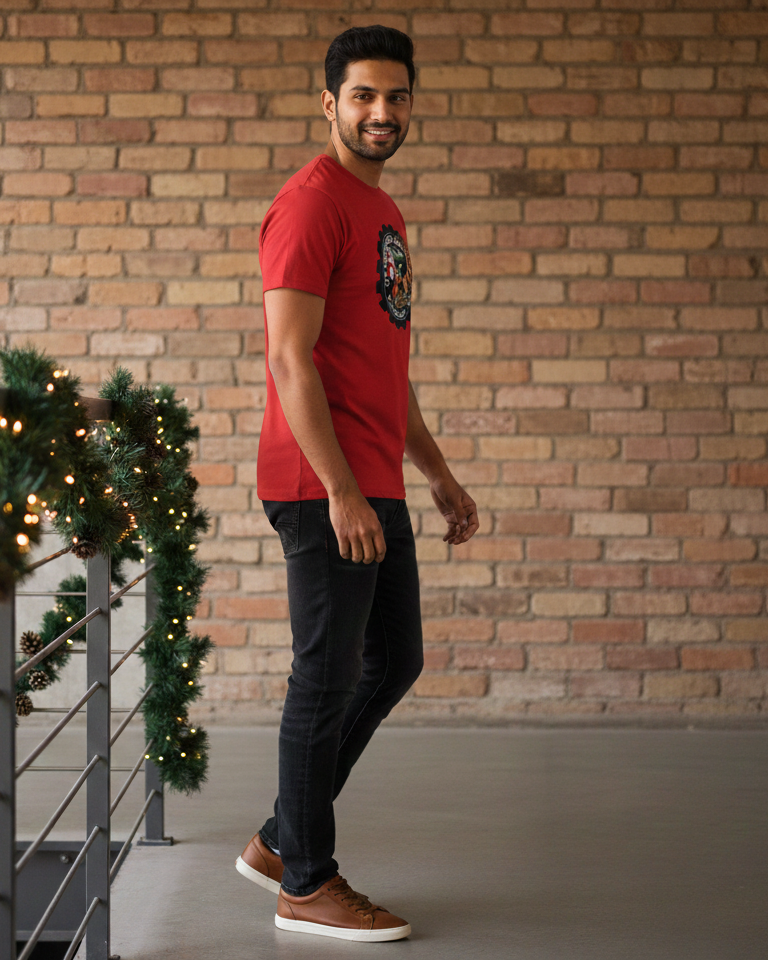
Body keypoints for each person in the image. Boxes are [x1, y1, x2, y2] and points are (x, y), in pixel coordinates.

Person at [235, 25, 479, 942]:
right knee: (326, 677)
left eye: (398, 96)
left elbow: (384, 367)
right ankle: (305, 880)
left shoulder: (385, 213)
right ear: (329, 102)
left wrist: (440, 475)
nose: (383, 112)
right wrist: (338, 489)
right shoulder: (309, 205)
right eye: (365, 96)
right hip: (319, 479)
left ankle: (278, 837)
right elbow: (290, 362)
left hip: (373, 475)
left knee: (395, 659)